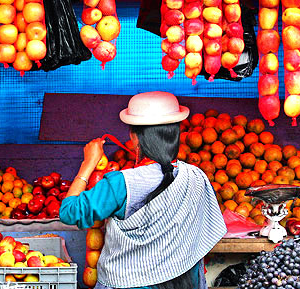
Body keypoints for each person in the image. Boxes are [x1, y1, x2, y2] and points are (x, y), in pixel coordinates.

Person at [59, 91, 227, 289]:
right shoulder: (196, 176)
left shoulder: (121, 183)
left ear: (135, 138)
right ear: (176, 134)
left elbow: (69, 212)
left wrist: (88, 164)